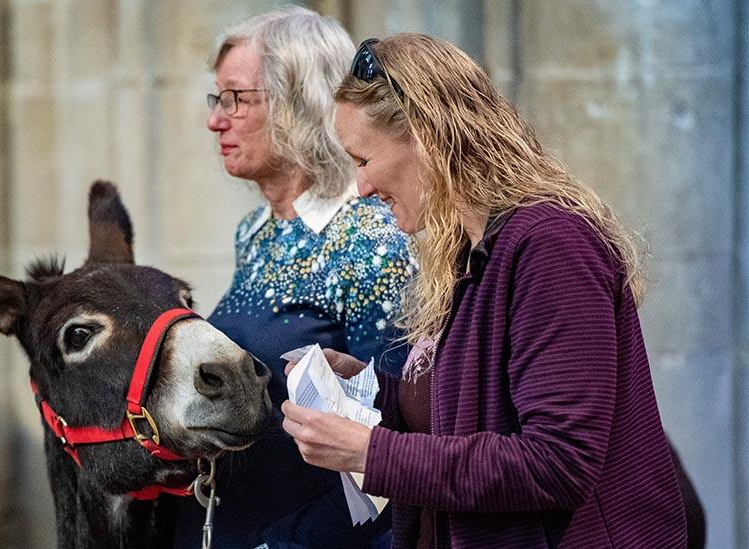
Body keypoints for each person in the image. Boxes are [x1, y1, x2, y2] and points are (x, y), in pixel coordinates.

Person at [282, 33, 688, 548]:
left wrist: (371, 454)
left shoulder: (551, 245)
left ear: (428, 138)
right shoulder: (467, 250)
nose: (360, 187)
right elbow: (466, 417)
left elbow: (558, 462)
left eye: (362, 160)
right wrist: (367, 388)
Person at [163, 7, 414, 549]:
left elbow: (396, 448)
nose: (216, 120)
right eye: (217, 99)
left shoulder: (367, 238)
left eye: (236, 98)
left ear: (301, 103)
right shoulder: (253, 230)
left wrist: (288, 542)